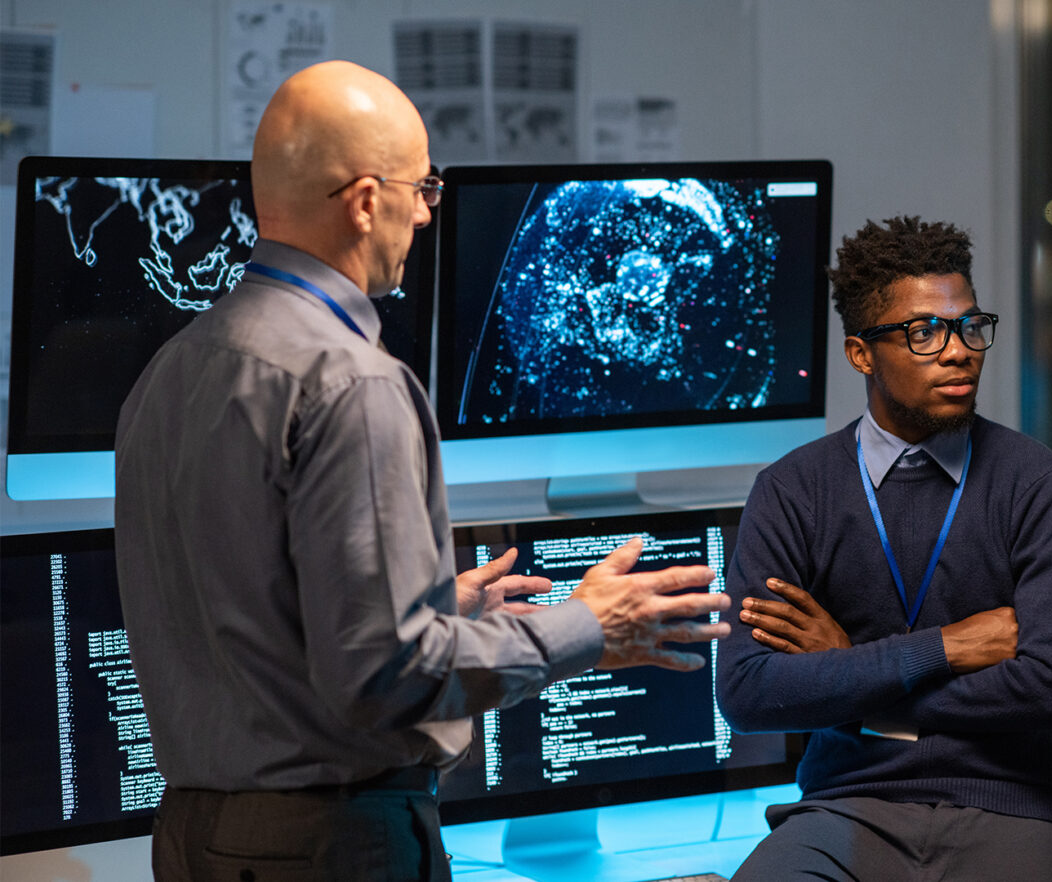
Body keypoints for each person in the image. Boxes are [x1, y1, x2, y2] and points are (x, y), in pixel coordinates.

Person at [114, 60, 728, 882]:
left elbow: (241, 618)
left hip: (193, 842)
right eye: (425, 186)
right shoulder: (351, 381)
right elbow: (385, 679)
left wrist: (442, 612)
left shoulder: (170, 372)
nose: (429, 212)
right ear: (368, 202)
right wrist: (588, 627)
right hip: (328, 845)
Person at [716, 216, 1052, 880]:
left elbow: (1051, 686)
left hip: (1006, 807)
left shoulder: (1035, 483)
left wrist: (851, 675)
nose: (959, 351)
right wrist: (944, 648)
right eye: (925, 332)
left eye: (970, 326)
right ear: (861, 353)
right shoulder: (792, 491)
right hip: (845, 805)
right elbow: (748, 693)